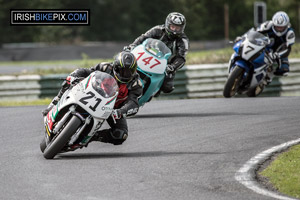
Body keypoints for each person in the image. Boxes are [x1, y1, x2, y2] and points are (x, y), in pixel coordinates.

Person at [42, 51, 143, 145]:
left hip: (112, 110)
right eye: (122, 71)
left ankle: (90, 136)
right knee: (69, 83)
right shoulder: (105, 67)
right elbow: (86, 71)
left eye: (129, 72)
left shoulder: (135, 84)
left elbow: (133, 103)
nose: (126, 75)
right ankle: (55, 102)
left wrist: (120, 112)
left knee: (121, 135)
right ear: (115, 67)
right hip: (92, 93)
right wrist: (74, 77)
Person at [125, 12, 189, 95]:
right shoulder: (157, 30)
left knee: (167, 87)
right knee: (128, 63)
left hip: (166, 65)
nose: (174, 30)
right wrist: (132, 46)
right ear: (167, 24)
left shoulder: (183, 41)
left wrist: (172, 67)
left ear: (182, 28)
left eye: (177, 28)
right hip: (148, 55)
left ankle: (153, 92)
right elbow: (143, 38)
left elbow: (181, 58)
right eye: (172, 27)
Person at [256, 11, 296, 77]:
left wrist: (276, 55)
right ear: (274, 24)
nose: (279, 29)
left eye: (282, 27)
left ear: (286, 25)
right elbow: (255, 32)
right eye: (277, 27)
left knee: (284, 69)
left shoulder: (290, 33)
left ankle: (268, 78)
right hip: (265, 47)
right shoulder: (268, 25)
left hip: (279, 51)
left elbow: (288, 49)